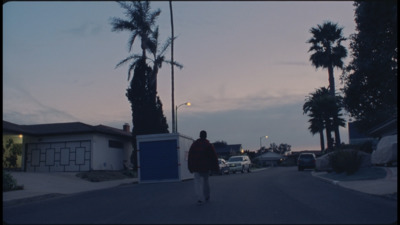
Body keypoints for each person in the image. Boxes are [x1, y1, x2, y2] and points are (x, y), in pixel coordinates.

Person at [188, 130, 219, 205]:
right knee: (205, 181)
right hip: (205, 167)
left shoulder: (194, 145)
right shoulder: (208, 145)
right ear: (206, 136)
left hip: (196, 166)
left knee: (197, 182)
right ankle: (206, 195)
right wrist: (216, 167)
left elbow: (190, 156)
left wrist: (190, 167)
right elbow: (214, 157)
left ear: (199, 135)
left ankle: (199, 197)